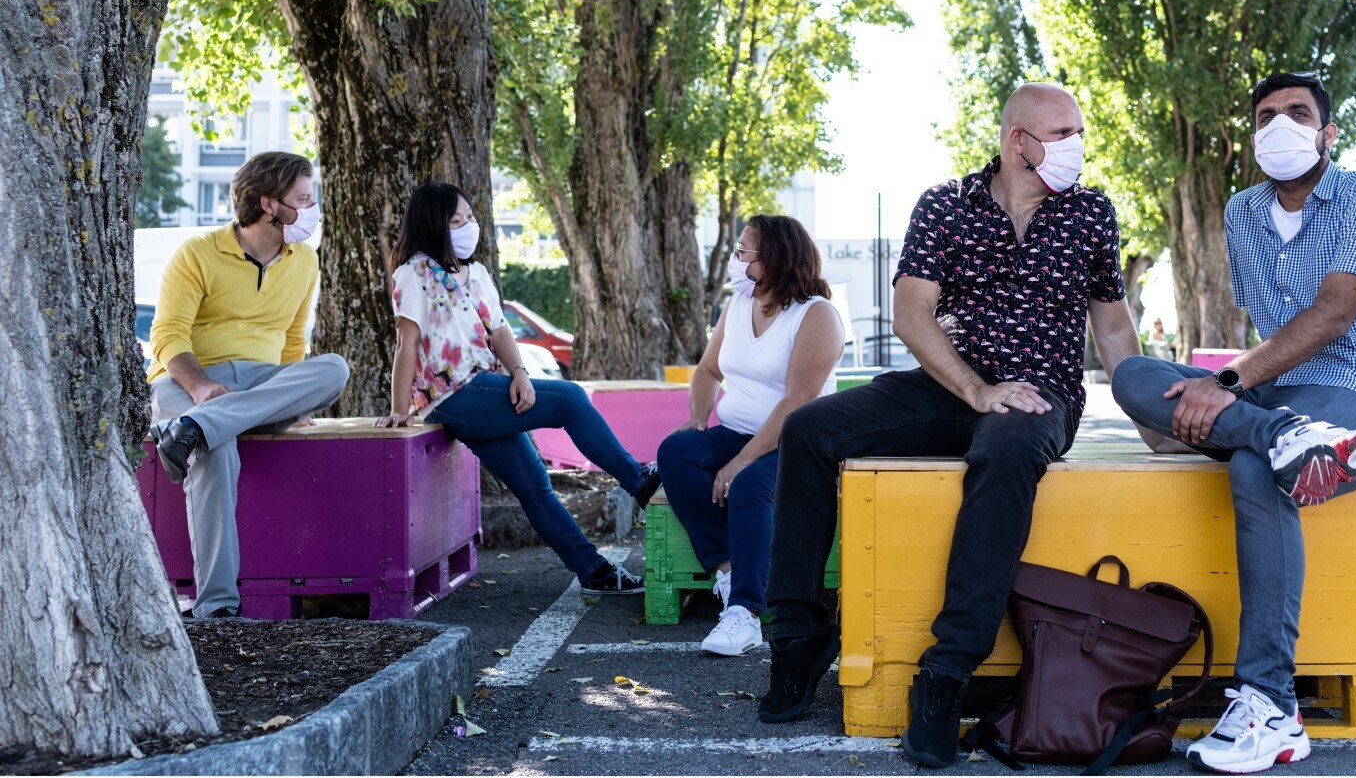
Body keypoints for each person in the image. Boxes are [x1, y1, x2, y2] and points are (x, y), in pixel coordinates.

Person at [758, 83, 1143, 768]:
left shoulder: (1090, 213)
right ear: (1017, 139)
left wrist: (1153, 417)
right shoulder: (946, 204)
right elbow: (913, 313)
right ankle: (796, 633)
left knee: (1007, 448)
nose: (1075, 146)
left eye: (1078, 132)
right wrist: (974, 387)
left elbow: (1110, 324)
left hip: (1038, 396)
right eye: (1061, 133)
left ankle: (945, 674)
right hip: (949, 385)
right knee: (810, 431)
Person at [1112, 72, 1356, 774]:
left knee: (1259, 471)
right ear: (1252, 136)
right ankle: (1282, 438)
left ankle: (1269, 706)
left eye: (1298, 113)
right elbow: (1271, 330)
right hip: (1284, 402)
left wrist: (1226, 385)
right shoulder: (1240, 212)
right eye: (1266, 116)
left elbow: (1331, 315)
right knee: (1136, 377)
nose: (1280, 125)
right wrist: (1236, 400)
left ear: (1328, 133)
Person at [379, 182, 658, 595]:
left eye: (470, 218)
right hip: (452, 396)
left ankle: (594, 572)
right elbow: (408, 343)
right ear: (433, 225)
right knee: (571, 399)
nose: (467, 226)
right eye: (456, 221)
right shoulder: (412, 273)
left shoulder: (476, 273)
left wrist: (520, 373)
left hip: (487, 390)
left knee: (534, 488)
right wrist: (400, 408)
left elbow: (501, 330)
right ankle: (640, 483)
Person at [148, 151, 351, 619]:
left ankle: (196, 428)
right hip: (190, 379)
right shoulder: (197, 253)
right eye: (303, 198)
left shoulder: (305, 262)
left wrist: (291, 399)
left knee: (334, 368)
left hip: (260, 384)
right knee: (214, 452)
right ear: (269, 205)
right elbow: (167, 334)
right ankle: (217, 608)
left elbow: (294, 343)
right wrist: (200, 389)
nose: (313, 207)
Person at [656, 215, 845, 657]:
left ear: (775, 258)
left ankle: (745, 613)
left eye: (744, 253)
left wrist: (740, 462)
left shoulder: (818, 316)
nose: (736, 260)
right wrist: (699, 419)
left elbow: (798, 402)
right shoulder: (739, 303)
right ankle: (726, 568)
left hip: (799, 440)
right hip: (737, 430)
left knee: (747, 485)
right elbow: (707, 369)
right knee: (677, 451)